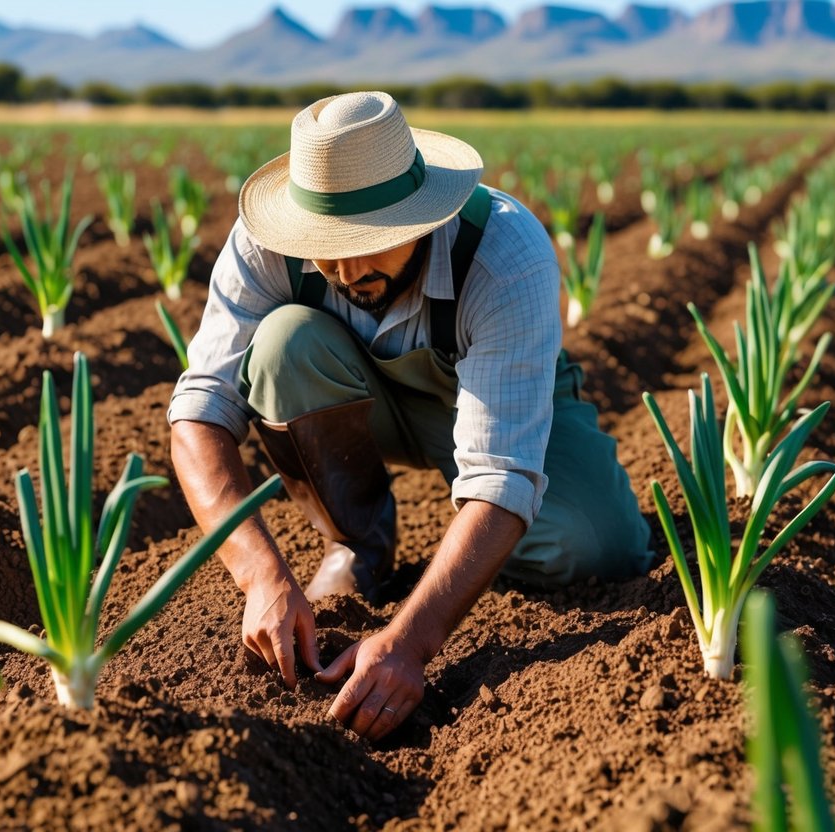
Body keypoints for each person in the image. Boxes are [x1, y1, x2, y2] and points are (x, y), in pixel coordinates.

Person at [168, 91, 651, 741]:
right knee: (283, 341)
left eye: (369, 243)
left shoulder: (503, 251)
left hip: (490, 404)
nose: (345, 269)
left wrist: (409, 642)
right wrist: (259, 575)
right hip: (355, 398)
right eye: (325, 246)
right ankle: (356, 543)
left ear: (422, 216)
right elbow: (199, 410)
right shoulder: (267, 243)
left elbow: (498, 470)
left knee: (599, 550)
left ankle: (470, 558)